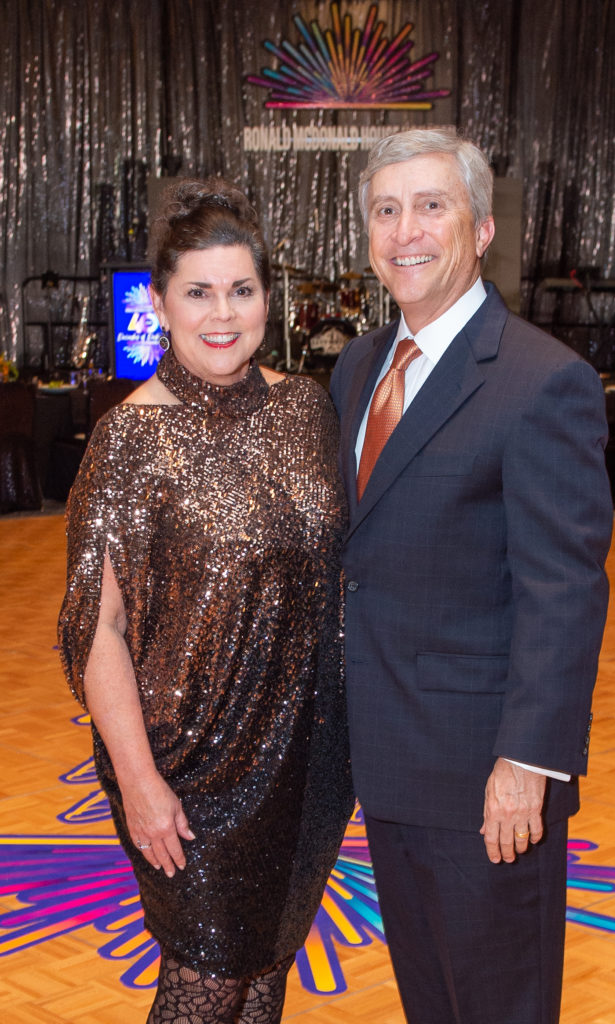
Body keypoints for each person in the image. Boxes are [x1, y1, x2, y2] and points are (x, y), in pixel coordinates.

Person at [329, 128, 613, 1024]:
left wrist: (526, 764)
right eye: (385, 209)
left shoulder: (542, 382)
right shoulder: (356, 368)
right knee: (432, 1003)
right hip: (385, 760)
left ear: (482, 229)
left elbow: (563, 594)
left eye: (430, 205)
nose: (404, 230)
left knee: (499, 1006)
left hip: (486, 782)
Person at [59, 178, 354, 1024]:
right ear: (160, 303)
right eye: (197, 292)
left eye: (241, 289)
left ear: (269, 295)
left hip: (307, 763)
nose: (221, 313)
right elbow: (96, 630)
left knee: (264, 977)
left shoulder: (307, 408)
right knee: (206, 985)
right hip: (188, 771)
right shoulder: (127, 438)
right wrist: (143, 782)